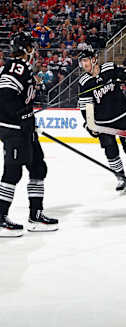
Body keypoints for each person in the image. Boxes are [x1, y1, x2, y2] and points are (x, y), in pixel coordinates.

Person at [0, 32, 58, 237]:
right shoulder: (16, 66)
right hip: (14, 129)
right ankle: (0, 218)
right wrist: (21, 116)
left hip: (24, 129)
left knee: (38, 167)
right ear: (25, 49)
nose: (34, 51)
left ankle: (35, 215)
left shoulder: (24, 69)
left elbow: (22, 96)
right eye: (31, 47)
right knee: (13, 172)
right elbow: (5, 97)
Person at [77, 45, 126, 194]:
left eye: (86, 60)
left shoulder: (109, 68)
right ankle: (120, 177)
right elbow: (86, 107)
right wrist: (90, 124)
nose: (83, 64)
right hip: (103, 123)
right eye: (81, 61)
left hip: (121, 116)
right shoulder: (84, 82)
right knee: (110, 151)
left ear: (94, 59)